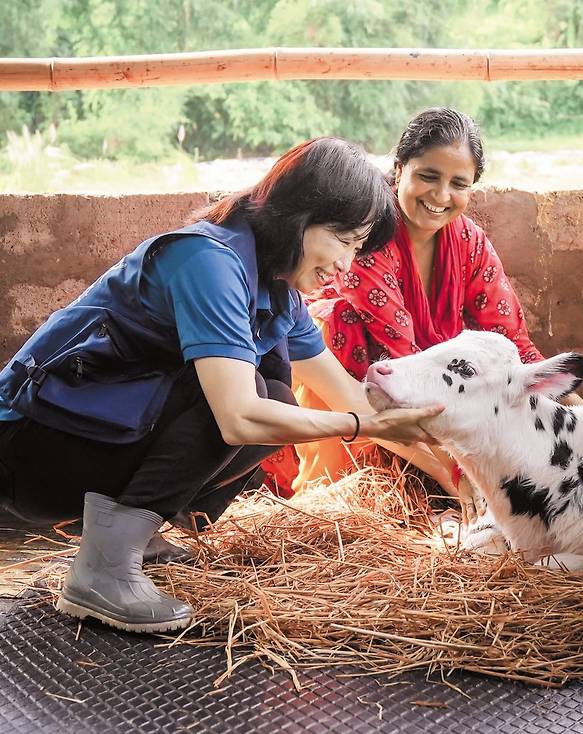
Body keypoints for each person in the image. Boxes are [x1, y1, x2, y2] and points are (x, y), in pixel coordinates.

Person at [0, 137, 444, 634]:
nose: (346, 264)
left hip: (87, 436)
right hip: (27, 451)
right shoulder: (209, 261)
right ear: (301, 216)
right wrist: (357, 424)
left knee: (273, 391)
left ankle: (130, 536)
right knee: (252, 398)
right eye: (344, 240)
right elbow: (239, 416)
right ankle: (102, 570)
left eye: (357, 248)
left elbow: (348, 395)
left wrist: (453, 467)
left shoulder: (278, 289)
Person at [263, 108, 554, 498]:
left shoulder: (468, 242)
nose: (440, 196)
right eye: (428, 176)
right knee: (332, 322)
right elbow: (403, 362)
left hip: (428, 395)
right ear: (400, 169)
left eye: (458, 184)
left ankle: (433, 476)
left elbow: (513, 342)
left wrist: (581, 414)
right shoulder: (369, 235)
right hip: (358, 381)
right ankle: (336, 485)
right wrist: (457, 468)